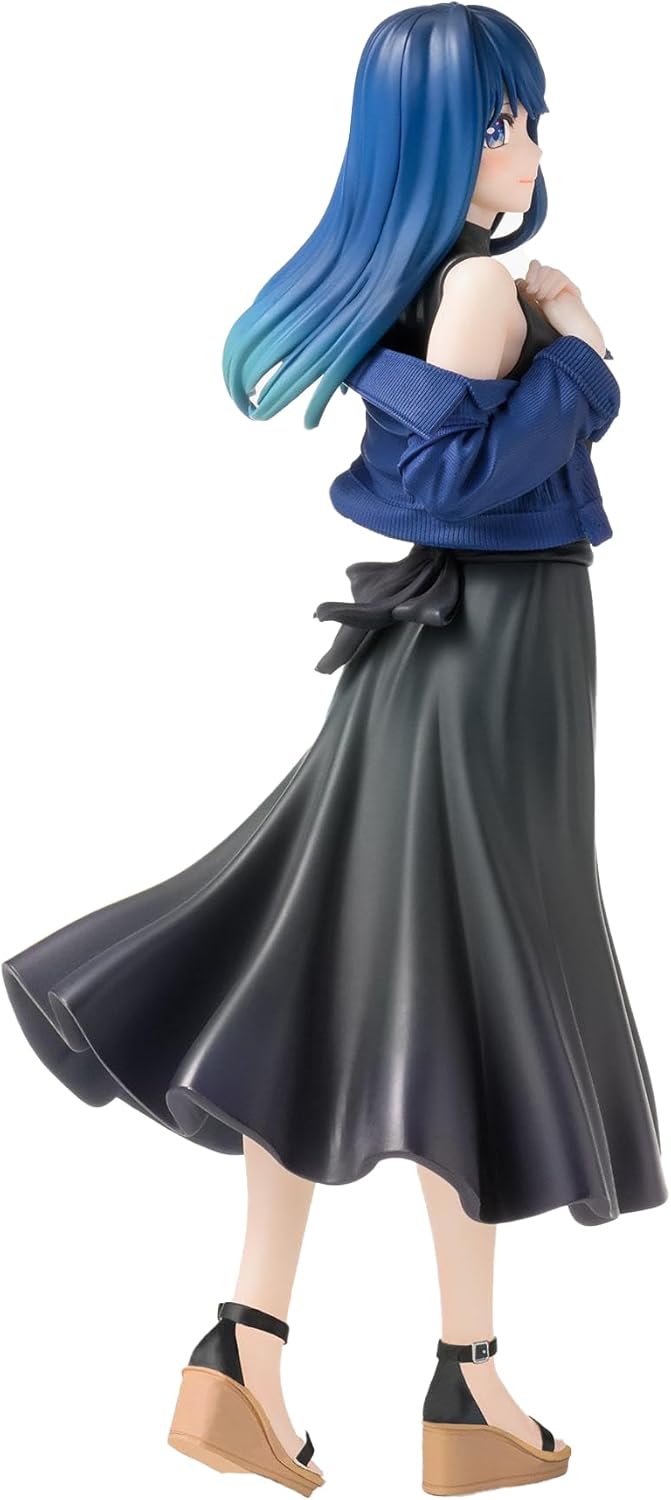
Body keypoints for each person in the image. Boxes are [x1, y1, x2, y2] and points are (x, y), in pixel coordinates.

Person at [3, 7, 667, 1494]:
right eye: (500, 121)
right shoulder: (482, 282)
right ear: (434, 142)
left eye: (525, 117)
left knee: (337, 980)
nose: (527, 146)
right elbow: (460, 482)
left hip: (453, 664)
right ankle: (461, 1382)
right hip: (488, 670)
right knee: (466, 996)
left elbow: (445, 463)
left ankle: (246, 1348)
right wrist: (586, 350)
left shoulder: (435, 281)